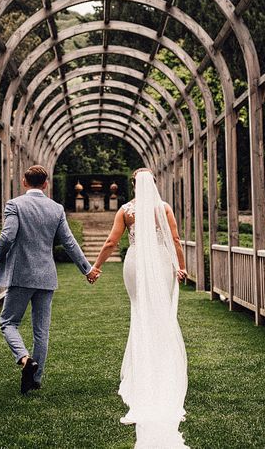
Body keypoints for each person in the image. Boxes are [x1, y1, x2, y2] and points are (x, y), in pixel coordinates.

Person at [92, 167, 189, 448]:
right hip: (160, 262)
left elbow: (112, 241)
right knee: (161, 316)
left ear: (134, 185)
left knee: (140, 313)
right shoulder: (163, 208)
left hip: (135, 264)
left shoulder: (126, 210)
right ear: (154, 184)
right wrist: (180, 267)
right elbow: (174, 240)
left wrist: (97, 266)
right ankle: (162, 368)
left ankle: (143, 371)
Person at [0, 164, 95, 394]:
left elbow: (8, 235)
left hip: (21, 275)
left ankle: (24, 359)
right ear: (46, 183)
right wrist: (86, 270)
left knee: (8, 322)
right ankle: (35, 379)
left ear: (23, 182)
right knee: (42, 331)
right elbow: (69, 242)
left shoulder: (15, 204)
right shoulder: (56, 209)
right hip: (46, 276)